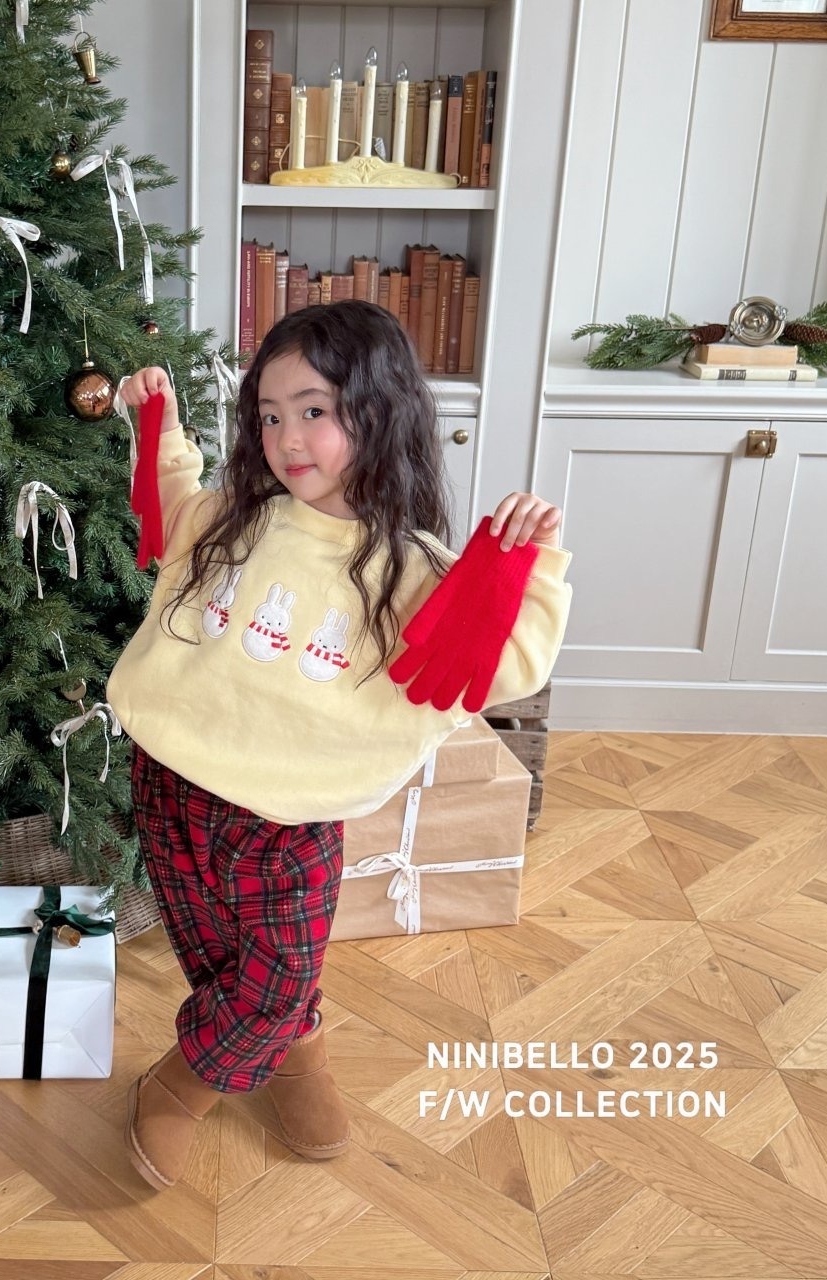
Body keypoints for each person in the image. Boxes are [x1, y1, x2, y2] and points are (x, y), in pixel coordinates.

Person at [107, 299, 572, 1190]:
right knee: (213, 954)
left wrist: (533, 561)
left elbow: (503, 665)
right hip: (171, 777)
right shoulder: (236, 521)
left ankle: (182, 1086)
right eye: (269, 415)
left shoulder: (411, 570)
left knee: (277, 974)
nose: (287, 439)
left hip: (291, 816)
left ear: (378, 410)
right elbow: (170, 511)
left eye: (314, 411)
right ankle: (297, 1056)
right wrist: (156, 424)